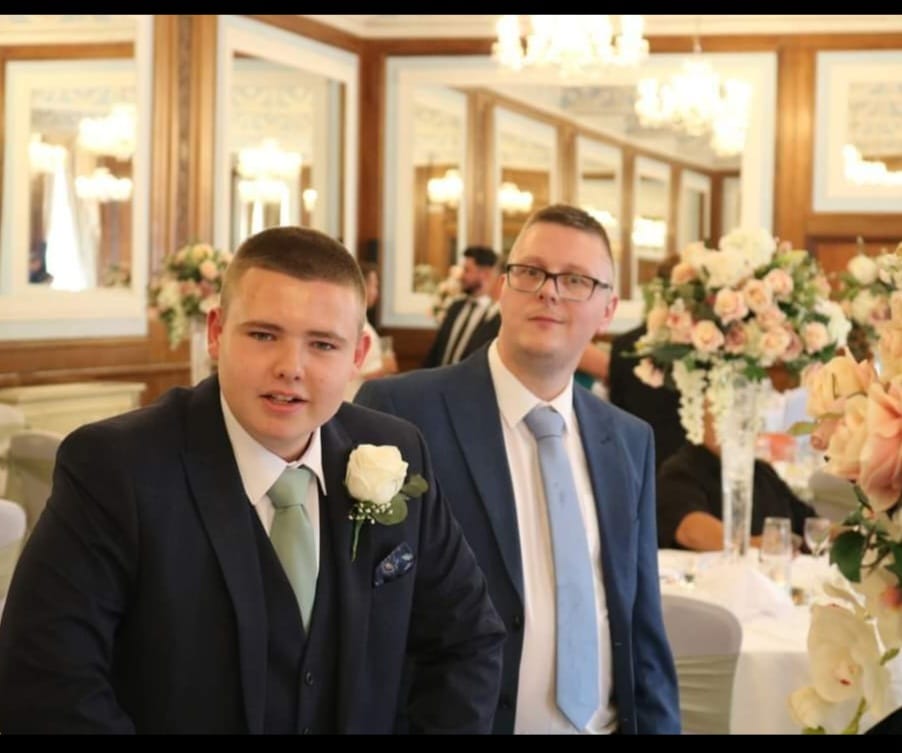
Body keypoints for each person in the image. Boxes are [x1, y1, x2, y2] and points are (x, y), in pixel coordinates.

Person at [0, 226, 505, 734]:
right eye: (263, 335)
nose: (290, 367)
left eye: (323, 344)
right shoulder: (114, 467)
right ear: (217, 331)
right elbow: (49, 681)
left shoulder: (397, 453)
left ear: (358, 354)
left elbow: (465, 640)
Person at [357, 204, 680, 735]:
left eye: (576, 280)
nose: (549, 291)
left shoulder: (627, 439)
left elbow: (641, 628)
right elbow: (370, 622)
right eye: (530, 272)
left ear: (607, 310)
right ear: (504, 287)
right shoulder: (402, 415)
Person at [657, 405, 818, 551]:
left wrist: (841, 536)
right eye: (723, 414)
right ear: (700, 419)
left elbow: (809, 526)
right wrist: (755, 545)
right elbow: (690, 531)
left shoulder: (762, 471)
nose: (739, 425)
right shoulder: (679, 470)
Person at [608, 256, 685, 468]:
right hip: (688, 472)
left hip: (634, 461)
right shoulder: (703, 349)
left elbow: (616, 415)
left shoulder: (624, 345)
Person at [422, 245, 499, 368]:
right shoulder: (455, 307)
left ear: (484, 274)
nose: (462, 276)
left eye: (467, 270)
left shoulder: (496, 318)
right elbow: (436, 351)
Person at [343, 263, 398, 401]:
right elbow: (367, 373)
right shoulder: (360, 327)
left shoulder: (358, 321)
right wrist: (386, 367)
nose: (376, 292)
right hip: (354, 397)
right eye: (374, 286)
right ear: (363, 287)